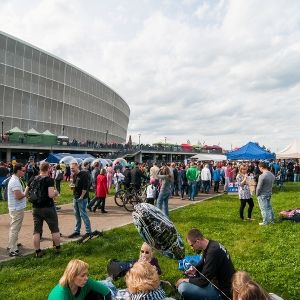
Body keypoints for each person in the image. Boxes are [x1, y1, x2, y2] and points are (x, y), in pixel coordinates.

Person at [176, 228, 235, 300]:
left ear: (197, 241)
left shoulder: (212, 253)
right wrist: (195, 269)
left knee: (183, 287)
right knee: (193, 268)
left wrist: (184, 280)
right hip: (226, 283)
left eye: (191, 245)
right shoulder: (211, 244)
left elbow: (203, 281)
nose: (192, 248)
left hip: (222, 292)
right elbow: (203, 261)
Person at [29, 162, 61, 258]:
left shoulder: (32, 178)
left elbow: (26, 192)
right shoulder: (49, 180)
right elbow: (51, 195)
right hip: (48, 207)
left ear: (39, 168)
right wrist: (56, 192)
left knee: (37, 231)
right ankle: (57, 249)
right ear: (48, 169)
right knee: (54, 229)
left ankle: (38, 251)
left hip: (36, 208)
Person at [7, 163, 28, 256]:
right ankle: (12, 249)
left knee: (14, 227)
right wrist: (26, 191)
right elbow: (18, 196)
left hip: (15, 207)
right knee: (15, 228)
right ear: (18, 171)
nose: (24, 172)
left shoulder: (16, 179)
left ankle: (12, 243)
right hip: (16, 208)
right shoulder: (14, 181)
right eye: (23, 170)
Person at [68, 160, 92, 240]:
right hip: (75, 197)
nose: (72, 170)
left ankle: (89, 232)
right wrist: (72, 186)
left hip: (82, 198)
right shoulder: (74, 175)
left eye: (73, 168)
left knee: (83, 215)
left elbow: (85, 187)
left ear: (77, 166)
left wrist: (81, 197)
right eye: (71, 168)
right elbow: (75, 185)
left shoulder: (84, 174)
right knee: (77, 215)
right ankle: (77, 231)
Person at [256, 161, 275, 226]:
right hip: (269, 193)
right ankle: (272, 220)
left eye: (259, 168)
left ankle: (265, 222)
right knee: (269, 207)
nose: (259, 169)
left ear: (261, 167)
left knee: (263, 209)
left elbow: (258, 187)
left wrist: (257, 194)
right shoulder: (272, 175)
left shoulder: (262, 176)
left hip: (262, 195)